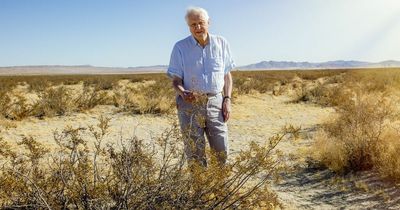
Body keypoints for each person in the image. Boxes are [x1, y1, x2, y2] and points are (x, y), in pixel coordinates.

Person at [167, 7, 235, 166]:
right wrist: (183, 93)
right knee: (194, 152)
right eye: (193, 24)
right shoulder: (180, 47)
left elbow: (227, 75)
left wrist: (227, 99)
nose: (197, 28)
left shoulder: (221, 43)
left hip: (215, 102)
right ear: (188, 26)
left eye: (201, 23)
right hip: (189, 105)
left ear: (208, 23)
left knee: (221, 150)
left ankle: (220, 188)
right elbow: (176, 80)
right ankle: (200, 188)